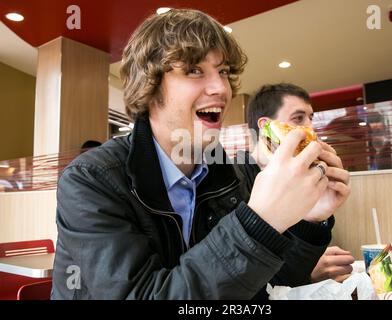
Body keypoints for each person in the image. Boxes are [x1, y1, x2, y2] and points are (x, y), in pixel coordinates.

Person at [52, 9, 338, 300]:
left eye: (223, 72)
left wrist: (311, 220)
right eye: (194, 70)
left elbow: (266, 283)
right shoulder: (90, 181)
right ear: (149, 86)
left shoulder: (233, 174)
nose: (220, 88)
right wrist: (258, 222)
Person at [235, 83, 354, 284]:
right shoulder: (231, 182)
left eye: (311, 118)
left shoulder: (303, 179)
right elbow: (234, 276)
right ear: (266, 126)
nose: (310, 128)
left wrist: (316, 218)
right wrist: (308, 272)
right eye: (298, 119)